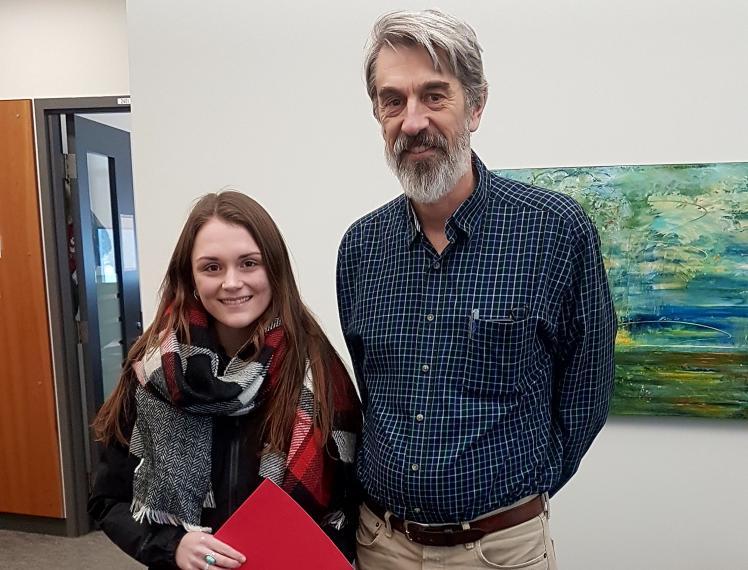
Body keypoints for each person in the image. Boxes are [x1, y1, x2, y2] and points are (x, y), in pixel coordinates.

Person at [336, 9, 617, 569]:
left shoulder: (555, 232)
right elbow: (371, 387)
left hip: (500, 550)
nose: (412, 121)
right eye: (393, 101)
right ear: (377, 114)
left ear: (477, 105)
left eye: (434, 96)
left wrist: (521, 496)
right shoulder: (361, 248)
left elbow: (586, 392)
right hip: (379, 545)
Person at [89, 191, 361, 569]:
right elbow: (107, 500)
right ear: (190, 277)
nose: (232, 282)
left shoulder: (320, 371)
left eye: (249, 263)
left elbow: (351, 502)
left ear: (275, 270)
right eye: (212, 267)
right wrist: (172, 547)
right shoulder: (151, 371)